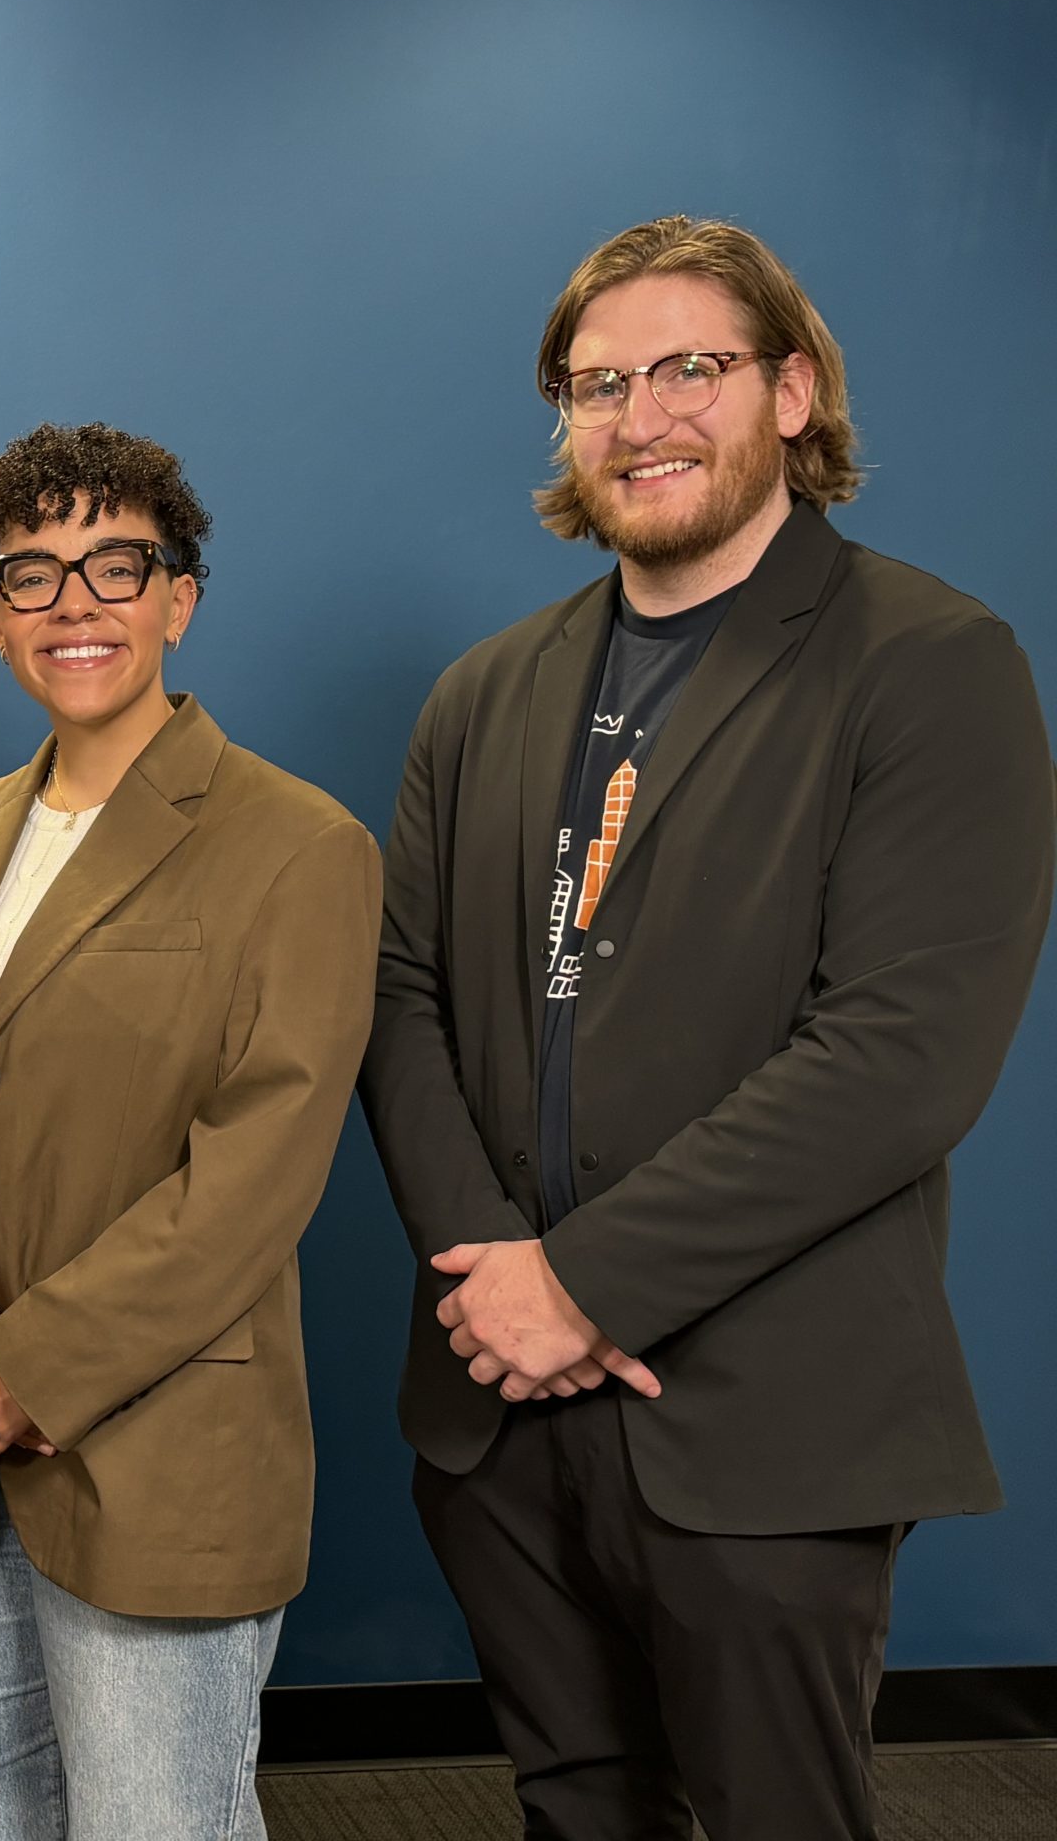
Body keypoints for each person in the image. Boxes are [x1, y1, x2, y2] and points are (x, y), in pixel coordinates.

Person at [361, 215, 1055, 1839]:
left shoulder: (935, 665)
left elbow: (899, 1059)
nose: (640, 414)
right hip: (501, 1419)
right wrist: (494, 1278)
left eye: (691, 368)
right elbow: (398, 997)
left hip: (759, 1418)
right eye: (597, 383)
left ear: (794, 392)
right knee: (576, 1811)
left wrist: (586, 1283)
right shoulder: (485, 693)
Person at [0, 422, 381, 1840]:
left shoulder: (297, 844)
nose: (72, 604)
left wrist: (27, 1362)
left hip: (160, 1451)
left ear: (180, 597)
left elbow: (253, 1177)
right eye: (33, 574)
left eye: (114, 566)